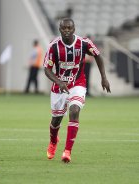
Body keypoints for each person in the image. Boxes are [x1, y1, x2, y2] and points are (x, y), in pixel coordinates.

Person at [43, 18, 111, 163]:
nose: (66, 31)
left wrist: (103, 77)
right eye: (63, 28)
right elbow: (47, 70)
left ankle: (67, 151)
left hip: (77, 84)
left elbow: (98, 56)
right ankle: (53, 141)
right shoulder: (53, 47)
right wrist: (58, 81)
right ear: (59, 29)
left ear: (74, 29)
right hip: (59, 87)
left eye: (69, 28)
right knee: (56, 120)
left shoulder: (84, 43)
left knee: (74, 111)